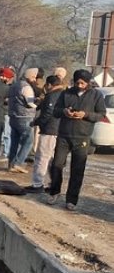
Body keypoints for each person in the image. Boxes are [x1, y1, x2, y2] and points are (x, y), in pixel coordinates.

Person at [48, 70, 106, 210]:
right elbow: (55, 111)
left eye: (82, 83)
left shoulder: (96, 95)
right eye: (77, 82)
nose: (80, 85)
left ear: (88, 82)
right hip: (64, 135)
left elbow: (101, 114)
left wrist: (85, 114)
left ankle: (72, 200)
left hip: (82, 136)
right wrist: (64, 112)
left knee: (77, 169)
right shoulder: (66, 93)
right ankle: (54, 192)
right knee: (56, 165)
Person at [25, 75, 64, 193]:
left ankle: (37, 184)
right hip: (59, 130)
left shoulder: (52, 96)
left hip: (49, 130)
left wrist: (36, 122)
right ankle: (54, 184)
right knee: (53, 159)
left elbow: (48, 113)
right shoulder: (64, 94)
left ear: (49, 85)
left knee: (42, 157)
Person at [7, 68, 39, 173]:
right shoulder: (26, 87)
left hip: (13, 117)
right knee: (28, 141)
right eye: (33, 77)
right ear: (28, 76)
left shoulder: (14, 85)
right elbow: (30, 103)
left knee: (14, 142)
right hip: (25, 117)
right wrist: (38, 105)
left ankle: (11, 163)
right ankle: (18, 163)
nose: (35, 79)